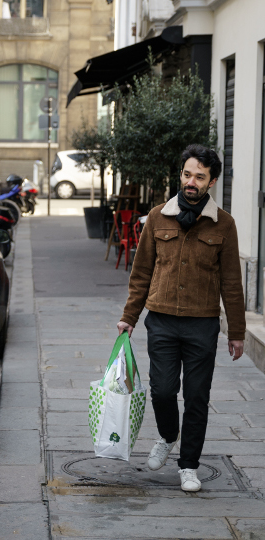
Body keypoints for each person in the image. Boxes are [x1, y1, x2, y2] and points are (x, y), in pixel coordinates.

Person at [117, 144, 245, 492]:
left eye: (199, 177)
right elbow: (141, 272)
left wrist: (237, 331)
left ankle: (189, 465)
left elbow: (232, 282)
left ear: (211, 182)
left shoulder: (225, 225)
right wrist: (129, 316)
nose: (191, 181)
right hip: (160, 320)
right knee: (161, 390)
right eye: (187, 174)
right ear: (181, 175)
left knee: (197, 396)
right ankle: (168, 435)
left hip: (202, 324)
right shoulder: (158, 217)